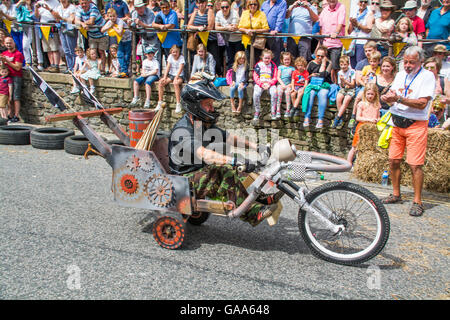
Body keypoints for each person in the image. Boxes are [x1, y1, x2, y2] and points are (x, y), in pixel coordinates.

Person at [168, 80, 276, 226]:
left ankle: (259, 197)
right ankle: (252, 213)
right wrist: (233, 162)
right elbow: (205, 154)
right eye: (208, 104)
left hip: (197, 171)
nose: (212, 108)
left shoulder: (200, 123)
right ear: (195, 105)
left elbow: (230, 138)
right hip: (184, 180)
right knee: (224, 169)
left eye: (211, 104)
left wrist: (256, 147)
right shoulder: (183, 131)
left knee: (238, 160)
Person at [380, 46, 435, 217]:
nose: (408, 65)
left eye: (412, 62)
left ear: (421, 62)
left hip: (415, 124)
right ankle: (396, 193)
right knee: (393, 160)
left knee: (415, 165)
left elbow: (422, 103)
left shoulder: (427, 76)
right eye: (405, 62)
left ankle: (418, 201)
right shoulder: (401, 75)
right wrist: (387, 97)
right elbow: (393, 92)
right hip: (397, 122)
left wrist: (398, 98)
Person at [347, 83, 381, 165]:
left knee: (368, 147)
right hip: (362, 127)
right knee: (355, 146)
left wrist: (378, 120)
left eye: (372, 94)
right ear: (365, 93)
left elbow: (378, 116)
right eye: (368, 94)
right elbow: (358, 117)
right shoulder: (361, 104)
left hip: (372, 128)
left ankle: (362, 164)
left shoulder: (377, 105)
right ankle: (348, 163)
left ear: (375, 94)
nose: (370, 96)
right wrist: (369, 120)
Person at [303, 45, 332, 128]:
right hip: (313, 84)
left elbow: (324, 74)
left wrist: (323, 63)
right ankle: (307, 117)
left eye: (322, 56)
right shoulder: (311, 63)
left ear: (325, 56)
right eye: (318, 55)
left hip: (324, 84)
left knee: (323, 95)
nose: (319, 58)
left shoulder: (329, 63)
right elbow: (306, 75)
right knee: (310, 94)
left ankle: (320, 119)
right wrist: (310, 77)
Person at [187, 0, 219, 76]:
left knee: (213, 58)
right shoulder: (195, 12)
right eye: (199, 3)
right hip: (199, 40)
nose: (201, 4)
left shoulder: (209, 11)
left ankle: (215, 75)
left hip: (210, 39)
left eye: (202, 2)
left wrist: (202, 29)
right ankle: (196, 75)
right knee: (197, 57)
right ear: (197, 4)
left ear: (205, 3)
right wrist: (198, 28)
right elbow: (189, 25)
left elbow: (210, 26)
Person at [75, 0, 108, 75]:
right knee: (92, 51)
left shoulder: (93, 8)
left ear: (88, 2)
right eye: (82, 3)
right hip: (92, 34)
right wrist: (82, 23)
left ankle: (102, 69)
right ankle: (93, 68)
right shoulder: (79, 8)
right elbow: (76, 20)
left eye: (85, 3)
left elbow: (91, 21)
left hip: (101, 33)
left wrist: (84, 23)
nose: (84, 5)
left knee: (101, 51)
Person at [318, 0, 346, 84]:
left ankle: (335, 85)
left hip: (335, 44)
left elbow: (340, 24)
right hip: (325, 43)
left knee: (335, 67)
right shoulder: (325, 10)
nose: (332, 0)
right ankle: (324, 83)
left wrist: (336, 33)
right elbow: (320, 26)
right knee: (323, 65)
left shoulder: (341, 7)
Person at [101, 7, 132, 77]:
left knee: (127, 55)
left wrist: (113, 27)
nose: (112, 18)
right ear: (108, 17)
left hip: (127, 39)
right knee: (120, 54)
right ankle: (123, 71)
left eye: (114, 16)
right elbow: (102, 30)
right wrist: (110, 26)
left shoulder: (120, 21)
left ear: (116, 16)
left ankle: (126, 71)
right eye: (110, 17)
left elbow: (120, 32)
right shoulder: (110, 22)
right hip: (120, 40)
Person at [238, 0, 270, 65]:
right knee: (247, 62)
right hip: (246, 41)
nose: (253, 6)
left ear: (257, 5)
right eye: (251, 4)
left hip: (258, 42)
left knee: (257, 62)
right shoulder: (245, 13)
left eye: (255, 4)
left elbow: (266, 28)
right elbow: (240, 27)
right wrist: (246, 31)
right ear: (248, 5)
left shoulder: (261, 14)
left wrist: (254, 31)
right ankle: (249, 75)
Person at [0, 37, 24, 123]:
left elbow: (18, 67)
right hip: (7, 78)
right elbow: (2, 67)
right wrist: (2, 62)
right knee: (8, 98)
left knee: (16, 97)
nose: (8, 45)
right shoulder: (4, 53)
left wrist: (7, 61)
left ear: (13, 43)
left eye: (10, 43)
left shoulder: (18, 54)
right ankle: (10, 114)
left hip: (16, 76)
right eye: (7, 43)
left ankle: (16, 116)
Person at [34, 0, 62, 73]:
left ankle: (56, 65)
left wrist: (48, 9)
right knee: (47, 49)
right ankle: (51, 65)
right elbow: (36, 16)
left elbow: (58, 15)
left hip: (52, 25)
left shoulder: (56, 2)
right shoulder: (40, 2)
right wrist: (36, 8)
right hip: (43, 26)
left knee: (54, 47)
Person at [157, 44, 185, 113]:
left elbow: (181, 68)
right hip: (171, 75)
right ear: (171, 52)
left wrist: (176, 77)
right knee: (161, 82)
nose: (175, 54)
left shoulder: (181, 58)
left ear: (179, 52)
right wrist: (164, 77)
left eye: (176, 52)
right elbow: (168, 67)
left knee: (175, 83)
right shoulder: (170, 57)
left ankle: (178, 104)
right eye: (173, 52)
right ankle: (160, 101)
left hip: (179, 75)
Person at [215, 0, 243, 70]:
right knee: (230, 61)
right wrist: (227, 27)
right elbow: (216, 27)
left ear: (230, 7)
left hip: (238, 40)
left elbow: (233, 27)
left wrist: (222, 27)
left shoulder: (234, 13)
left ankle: (239, 77)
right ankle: (231, 77)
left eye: (226, 7)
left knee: (239, 60)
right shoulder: (218, 13)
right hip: (228, 40)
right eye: (223, 7)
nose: (224, 9)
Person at [52, 0, 78, 73]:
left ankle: (74, 67)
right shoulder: (58, 7)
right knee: (66, 50)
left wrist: (61, 18)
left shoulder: (72, 8)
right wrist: (57, 18)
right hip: (61, 29)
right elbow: (57, 18)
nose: (63, 1)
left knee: (72, 49)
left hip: (70, 30)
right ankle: (69, 67)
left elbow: (71, 20)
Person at [132, 0, 160, 66]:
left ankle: (156, 74)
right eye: (137, 8)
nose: (140, 10)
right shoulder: (134, 13)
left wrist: (141, 24)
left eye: (141, 7)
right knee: (145, 57)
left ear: (144, 6)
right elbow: (133, 26)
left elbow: (151, 27)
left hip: (153, 37)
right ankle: (146, 72)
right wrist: (130, 24)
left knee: (155, 57)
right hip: (143, 37)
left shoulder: (150, 13)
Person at [252, 49, 278, 121]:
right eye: (265, 58)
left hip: (270, 83)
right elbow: (255, 76)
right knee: (256, 94)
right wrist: (261, 84)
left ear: (271, 58)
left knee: (274, 93)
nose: (267, 60)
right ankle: (257, 111)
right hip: (260, 83)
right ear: (262, 57)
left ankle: (273, 111)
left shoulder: (273, 65)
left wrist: (270, 84)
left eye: (269, 58)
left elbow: (275, 77)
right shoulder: (258, 65)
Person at [331, 55, 356, 129]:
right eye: (341, 65)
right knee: (338, 97)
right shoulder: (340, 73)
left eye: (345, 64)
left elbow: (353, 85)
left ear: (348, 64)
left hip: (351, 89)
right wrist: (342, 82)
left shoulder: (352, 72)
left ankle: (337, 118)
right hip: (344, 89)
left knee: (346, 99)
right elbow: (341, 85)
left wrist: (345, 81)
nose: (343, 66)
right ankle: (341, 118)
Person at [347, 0, 373, 69]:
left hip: (362, 41)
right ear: (358, 3)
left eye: (365, 2)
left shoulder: (369, 14)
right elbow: (349, 31)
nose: (363, 3)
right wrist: (352, 23)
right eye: (361, 1)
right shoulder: (355, 13)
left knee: (360, 64)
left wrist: (358, 24)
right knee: (353, 65)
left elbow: (368, 29)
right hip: (352, 42)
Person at [423, 57, 449, 126]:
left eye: (432, 68)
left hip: (439, 115)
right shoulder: (421, 80)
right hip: (423, 114)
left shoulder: (443, 80)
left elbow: (449, 98)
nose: (429, 70)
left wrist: (443, 100)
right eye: (426, 68)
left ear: (437, 69)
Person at [261, 0, 287, 66]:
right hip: (263, 34)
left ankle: (274, 73)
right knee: (263, 56)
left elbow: (281, 17)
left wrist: (276, 30)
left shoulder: (282, 2)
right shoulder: (265, 3)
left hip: (274, 34)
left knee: (275, 56)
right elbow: (260, 16)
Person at [275, 52, 295, 119]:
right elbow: (278, 77)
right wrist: (282, 84)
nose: (287, 61)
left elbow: (293, 78)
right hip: (281, 84)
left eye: (288, 59)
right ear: (282, 60)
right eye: (285, 59)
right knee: (279, 92)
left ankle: (288, 110)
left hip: (289, 85)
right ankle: (278, 110)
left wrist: (290, 85)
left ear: (290, 60)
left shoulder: (292, 68)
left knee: (287, 93)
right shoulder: (280, 67)